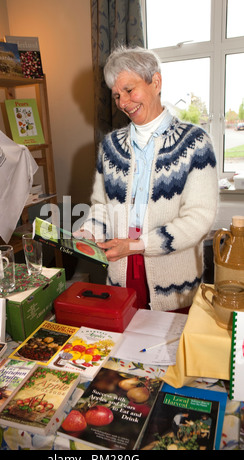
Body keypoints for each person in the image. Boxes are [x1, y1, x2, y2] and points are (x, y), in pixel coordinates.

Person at [77, 45, 218, 312]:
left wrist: (139, 245)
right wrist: (88, 231)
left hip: (174, 280)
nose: (123, 103)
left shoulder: (195, 143)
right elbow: (101, 207)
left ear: (156, 81)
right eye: (117, 95)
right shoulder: (109, 147)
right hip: (121, 271)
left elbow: (199, 218)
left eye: (129, 90)